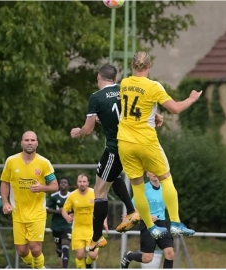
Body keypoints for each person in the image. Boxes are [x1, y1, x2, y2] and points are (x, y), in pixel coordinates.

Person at [117, 51, 202, 239]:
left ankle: (151, 227)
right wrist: (192, 99)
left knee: (138, 186)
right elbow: (176, 109)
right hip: (146, 141)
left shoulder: (124, 83)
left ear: (132, 66)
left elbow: (132, 107)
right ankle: (176, 223)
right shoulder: (154, 86)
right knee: (166, 179)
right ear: (149, 66)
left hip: (124, 142)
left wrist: (154, 113)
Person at [70, 64, 141, 252]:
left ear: (98, 77)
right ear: (115, 79)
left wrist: (77, 132)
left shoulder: (96, 97)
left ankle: (97, 237)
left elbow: (88, 128)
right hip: (134, 144)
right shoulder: (124, 89)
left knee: (99, 191)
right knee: (110, 178)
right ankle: (130, 211)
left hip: (115, 148)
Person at [0, 131, 58, 269]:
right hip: (18, 212)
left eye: (32, 140)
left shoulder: (44, 163)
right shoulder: (11, 161)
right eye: (27, 140)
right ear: (21, 143)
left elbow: (54, 186)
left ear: (37, 143)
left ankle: (40, 268)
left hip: (37, 212)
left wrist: (42, 187)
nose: (30, 142)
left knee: (35, 248)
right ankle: (38, 266)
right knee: (21, 250)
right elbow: (5, 182)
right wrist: (5, 202)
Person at [121, 172, 174, 269]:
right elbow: (133, 207)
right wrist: (146, 216)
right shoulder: (143, 189)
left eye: (156, 170)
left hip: (162, 224)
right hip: (148, 225)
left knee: (170, 253)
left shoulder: (165, 188)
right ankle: (129, 256)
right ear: (147, 175)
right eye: (151, 171)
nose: (154, 173)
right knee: (147, 258)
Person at [62, 173, 107, 269]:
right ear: (77, 183)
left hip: (92, 229)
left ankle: (88, 263)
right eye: (80, 181)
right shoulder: (72, 196)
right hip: (78, 229)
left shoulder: (94, 193)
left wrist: (104, 221)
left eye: (84, 181)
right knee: (79, 255)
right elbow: (64, 210)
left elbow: (102, 208)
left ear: (88, 183)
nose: (82, 183)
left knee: (93, 255)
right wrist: (67, 217)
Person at [46, 177, 72, 268]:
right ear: (59, 184)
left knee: (65, 246)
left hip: (68, 225)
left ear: (68, 185)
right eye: (61, 182)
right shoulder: (54, 196)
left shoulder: (72, 196)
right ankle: (58, 250)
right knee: (59, 247)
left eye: (65, 182)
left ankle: (64, 267)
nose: (63, 184)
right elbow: (46, 209)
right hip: (56, 226)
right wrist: (58, 212)